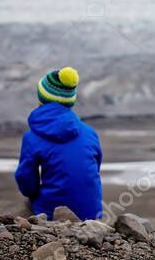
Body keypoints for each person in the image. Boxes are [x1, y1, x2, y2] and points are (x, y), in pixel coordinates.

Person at [15, 67, 104, 221]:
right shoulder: (90, 132)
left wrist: (39, 187)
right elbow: (93, 169)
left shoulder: (32, 137)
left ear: (41, 98)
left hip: (50, 214)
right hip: (92, 215)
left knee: (26, 208)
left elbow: (26, 182)